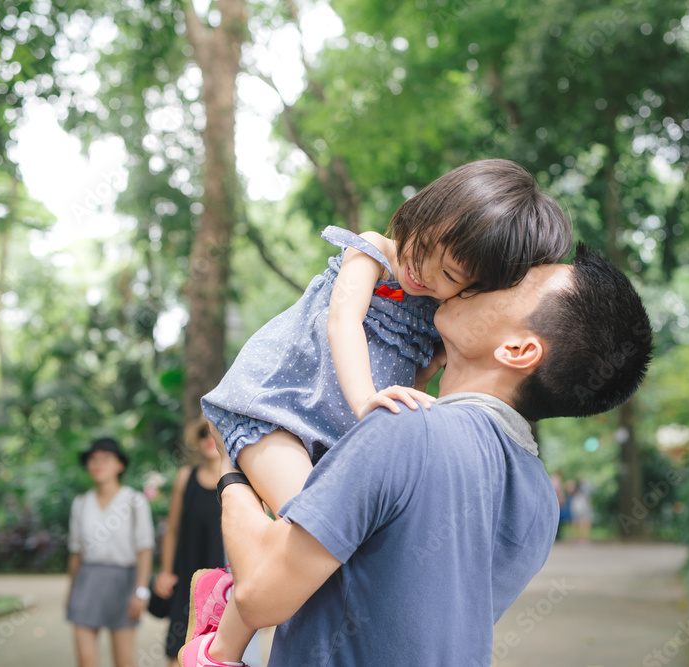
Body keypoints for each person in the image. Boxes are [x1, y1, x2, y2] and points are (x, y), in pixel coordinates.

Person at [183, 159, 573, 666]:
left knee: (321, 543)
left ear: (475, 288)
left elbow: (405, 392)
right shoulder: (374, 254)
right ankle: (216, 651)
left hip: (336, 436)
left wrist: (416, 388)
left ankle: (224, 596)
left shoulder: (437, 312)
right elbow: (342, 323)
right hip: (277, 407)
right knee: (312, 521)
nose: (423, 271)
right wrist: (366, 396)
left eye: (450, 274)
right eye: (425, 245)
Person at [202, 242, 654, 664]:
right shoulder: (539, 501)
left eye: (514, 282)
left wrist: (232, 468)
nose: (483, 279)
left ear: (518, 350)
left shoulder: (405, 430)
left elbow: (261, 594)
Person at [153, 420, 258, 667]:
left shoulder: (243, 479)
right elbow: (173, 530)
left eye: (217, 432)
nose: (210, 437)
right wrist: (166, 572)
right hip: (187, 576)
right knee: (177, 649)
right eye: (203, 433)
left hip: (224, 581)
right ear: (197, 441)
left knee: (220, 653)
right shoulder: (185, 478)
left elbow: (256, 533)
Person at [67, 437, 155, 667]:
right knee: (86, 661)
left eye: (105, 459)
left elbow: (144, 548)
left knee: (124, 661)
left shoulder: (135, 501)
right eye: (93, 460)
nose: (98, 464)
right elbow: (76, 552)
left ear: (120, 465)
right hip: (87, 582)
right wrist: (71, 591)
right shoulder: (81, 503)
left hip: (123, 581)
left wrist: (141, 591)